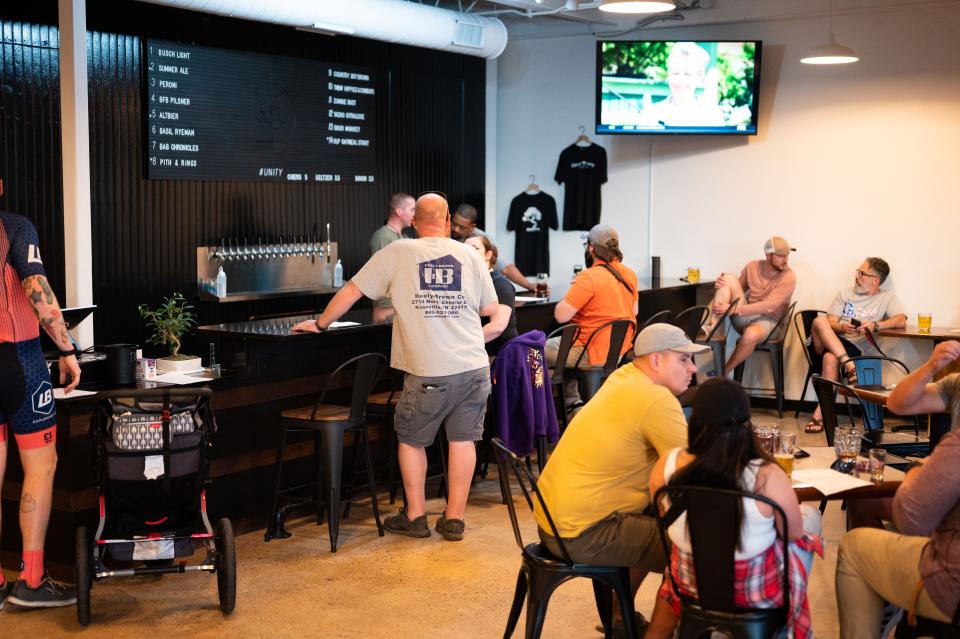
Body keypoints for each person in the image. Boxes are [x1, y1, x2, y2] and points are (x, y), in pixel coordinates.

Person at [292, 193, 501, 541]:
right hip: (473, 365)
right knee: (464, 440)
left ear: (415, 222)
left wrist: (321, 323)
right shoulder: (469, 255)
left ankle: (416, 517)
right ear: (448, 221)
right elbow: (489, 309)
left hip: (429, 368)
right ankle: (454, 520)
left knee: (412, 439)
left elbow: (353, 290)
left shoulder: (397, 252)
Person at [534, 324, 708, 638]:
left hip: (553, 522)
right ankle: (657, 634)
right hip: (583, 532)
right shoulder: (656, 399)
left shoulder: (623, 377)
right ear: (656, 361)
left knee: (658, 516)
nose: (693, 368)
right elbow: (696, 472)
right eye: (683, 359)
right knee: (698, 548)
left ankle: (620, 617)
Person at [648, 378, 823, 639]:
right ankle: (783, 629)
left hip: (688, 584)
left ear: (695, 420)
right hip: (753, 593)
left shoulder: (666, 464)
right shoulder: (766, 474)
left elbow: (665, 518)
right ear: (746, 423)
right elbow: (794, 534)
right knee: (810, 519)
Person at [1, 210, 81, 609]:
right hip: (18, 358)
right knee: (40, 465)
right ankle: (30, 580)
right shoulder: (15, 227)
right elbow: (37, 287)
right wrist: (67, 349)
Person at [836, 428, 960, 637]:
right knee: (867, 502)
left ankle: (885, 601)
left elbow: (911, 519)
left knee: (853, 547)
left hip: (952, 588)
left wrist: (916, 469)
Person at [804, 258, 906, 433]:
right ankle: (850, 367)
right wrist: (842, 327)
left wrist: (876, 325)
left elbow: (901, 320)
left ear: (876, 280)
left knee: (830, 359)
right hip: (828, 342)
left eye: (862, 273)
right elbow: (831, 321)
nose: (857, 276)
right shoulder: (845, 294)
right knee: (820, 321)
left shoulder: (887, 297)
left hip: (855, 349)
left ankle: (821, 416)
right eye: (857, 272)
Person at [548, 223, 638, 407]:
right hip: (618, 351)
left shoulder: (588, 277)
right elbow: (634, 311)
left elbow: (561, 316)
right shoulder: (629, 273)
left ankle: (550, 412)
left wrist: (573, 289)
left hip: (592, 352)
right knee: (565, 344)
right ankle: (573, 403)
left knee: (534, 351)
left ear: (591, 247)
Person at [707, 235, 797, 377]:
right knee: (728, 279)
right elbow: (736, 288)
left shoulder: (789, 276)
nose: (785, 259)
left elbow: (770, 306)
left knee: (750, 334)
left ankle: (722, 372)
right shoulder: (752, 267)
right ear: (768, 255)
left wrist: (734, 309)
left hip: (770, 322)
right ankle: (713, 327)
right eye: (781, 256)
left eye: (787, 255)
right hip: (745, 316)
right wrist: (721, 284)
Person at [450, 203, 537, 294]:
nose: (456, 229)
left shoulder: (483, 239)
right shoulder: (442, 233)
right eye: (454, 224)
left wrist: (529, 285)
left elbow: (506, 268)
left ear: (472, 227)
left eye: (462, 227)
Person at [642, 42, 725, 128]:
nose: (680, 80)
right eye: (675, 73)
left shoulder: (713, 116)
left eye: (687, 74)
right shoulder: (651, 114)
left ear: (699, 76)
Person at [464, 234, 517, 356]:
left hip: (499, 356)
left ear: (488, 254)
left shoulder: (499, 284)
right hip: (479, 351)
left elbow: (497, 326)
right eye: (466, 249)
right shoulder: (468, 281)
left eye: (475, 248)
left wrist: (464, 345)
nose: (469, 253)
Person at [369, 192, 416, 323]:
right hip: (387, 308)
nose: (414, 214)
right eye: (412, 209)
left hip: (401, 306)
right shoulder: (383, 237)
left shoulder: (404, 237)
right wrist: (382, 312)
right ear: (399, 211)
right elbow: (382, 274)